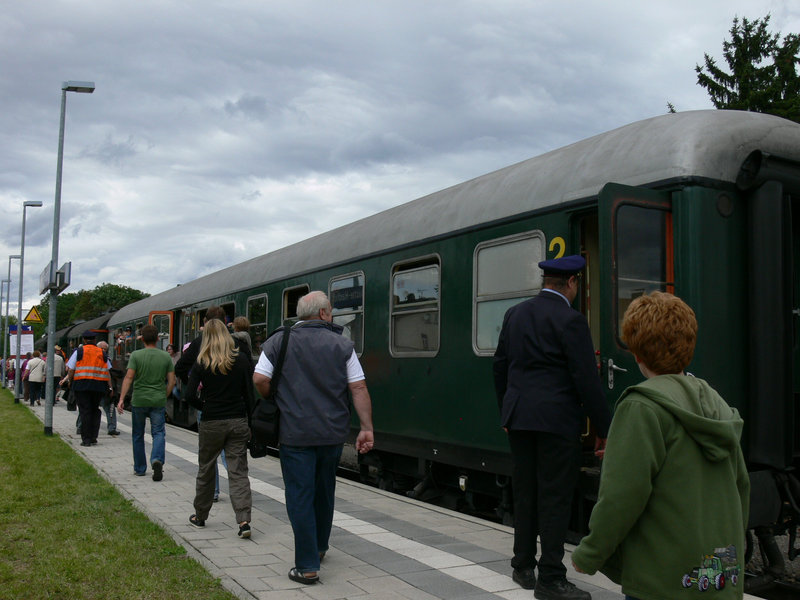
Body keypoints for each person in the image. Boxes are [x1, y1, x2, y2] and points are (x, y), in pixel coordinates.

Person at [572, 292, 749, 600]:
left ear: (636, 353)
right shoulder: (717, 404)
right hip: (719, 574)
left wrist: (590, 553)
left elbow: (622, 495)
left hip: (663, 580)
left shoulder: (642, 406)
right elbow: (741, 487)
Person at [493, 254, 612, 600]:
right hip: (556, 421)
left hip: (519, 419)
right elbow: (585, 379)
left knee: (526, 491)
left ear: (547, 281)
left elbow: (500, 368)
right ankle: (550, 578)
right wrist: (605, 427)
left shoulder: (515, 314)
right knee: (555, 497)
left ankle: (522, 566)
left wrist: (506, 413)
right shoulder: (570, 320)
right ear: (572, 283)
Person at [253, 291, 374, 585]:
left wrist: (276, 396)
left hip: (295, 434)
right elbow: (358, 388)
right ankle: (319, 547)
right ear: (322, 314)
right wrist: (366, 427)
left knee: (300, 495)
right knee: (324, 491)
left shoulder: (279, 341)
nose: (331, 315)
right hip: (331, 434)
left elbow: (259, 378)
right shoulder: (343, 345)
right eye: (330, 310)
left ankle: (307, 565)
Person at [184, 319, 255, 537]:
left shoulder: (202, 361)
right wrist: (250, 421)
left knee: (206, 467)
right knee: (238, 470)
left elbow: (188, 395)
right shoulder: (241, 360)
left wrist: (204, 406)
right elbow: (249, 395)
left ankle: (200, 515)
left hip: (211, 421)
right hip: (237, 420)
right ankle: (243, 521)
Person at [116, 324, 175, 480]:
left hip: (139, 400)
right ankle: (157, 459)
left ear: (142, 339)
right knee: (158, 432)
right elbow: (172, 381)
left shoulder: (136, 355)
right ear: (157, 339)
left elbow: (129, 378)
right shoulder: (165, 356)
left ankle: (140, 468)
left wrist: (121, 399)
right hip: (158, 400)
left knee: (137, 434)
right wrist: (164, 394)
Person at [61, 331, 113, 447]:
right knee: (95, 410)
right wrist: (110, 387)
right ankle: (94, 436)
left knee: (85, 411)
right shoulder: (102, 352)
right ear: (94, 340)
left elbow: (71, 369)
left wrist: (70, 381)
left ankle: (86, 439)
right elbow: (107, 371)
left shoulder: (79, 352)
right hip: (98, 386)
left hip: (81, 385)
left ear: (84, 340)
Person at [95, 341, 120, 436]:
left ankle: (80, 426)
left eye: (105, 349)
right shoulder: (106, 359)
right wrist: (111, 387)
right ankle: (111, 427)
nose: (104, 351)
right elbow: (108, 373)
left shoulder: (91, 358)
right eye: (102, 349)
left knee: (89, 407)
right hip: (102, 387)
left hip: (96, 387)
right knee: (109, 408)